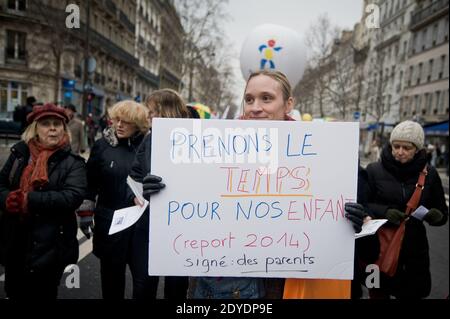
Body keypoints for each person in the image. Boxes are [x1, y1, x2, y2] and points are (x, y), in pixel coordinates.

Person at [141, 71, 367, 299]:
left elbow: (351, 241)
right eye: (249, 99)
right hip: (223, 286)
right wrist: (161, 193)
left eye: (266, 98)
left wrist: (354, 224)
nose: (255, 107)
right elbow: (191, 209)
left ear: (288, 104)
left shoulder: (323, 154)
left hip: (287, 283)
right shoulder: (212, 145)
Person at [0, 103, 87, 299]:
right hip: (16, 240)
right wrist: (8, 199)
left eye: (57, 124)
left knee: (43, 293)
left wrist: (27, 199)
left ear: (64, 129)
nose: (53, 128)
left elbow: (72, 196)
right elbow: (2, 185)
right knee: (14, 291)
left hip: (51, 244)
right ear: (34, 129)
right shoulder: (19, 154)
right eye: (46, 124)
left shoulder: (73, 162)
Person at [76, 100, 154, 299]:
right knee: (111, 283)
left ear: (138, 123)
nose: (119, 125)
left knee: (144, 284)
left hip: (141, 227)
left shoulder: (150, 147)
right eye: (116, 119)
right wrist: (86, 214)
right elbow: (90, 183)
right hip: (110, 223)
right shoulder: (102, 146)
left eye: (126, 121)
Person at [365, 120, 448, 299]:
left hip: (414, 250)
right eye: (396, 146)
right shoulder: (373, 170)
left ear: (417, 149)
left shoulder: (430, 174)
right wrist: (385, 212)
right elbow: (364, 205)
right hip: (380, 245)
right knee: (378, 292)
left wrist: (436, 216)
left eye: (406, 148)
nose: (400, 152)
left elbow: (442, 214)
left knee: (412, 293)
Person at [129, 89, 191, 299]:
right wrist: (138, 191)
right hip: (148, 225)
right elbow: (135, 174)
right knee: (143, 286)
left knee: (176, 288)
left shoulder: (194, 139)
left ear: (167, 112)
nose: (148, 116)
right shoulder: (149, 139)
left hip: (182, 227)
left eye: (152, 112)